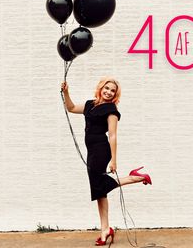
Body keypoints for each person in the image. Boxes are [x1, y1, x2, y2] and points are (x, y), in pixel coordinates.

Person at [61, 76, 152, 246]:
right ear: (101, 87)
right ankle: (105, 229)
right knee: (99, 192)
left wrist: (114, 160)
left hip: (101, 150)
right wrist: (66, 92)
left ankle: (136, 178)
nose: (109, 92)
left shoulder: (111, 110)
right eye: (107, 88)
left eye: (113, 91)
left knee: (98, 187)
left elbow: (113, 135)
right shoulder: (90, 104)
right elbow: (71, 107)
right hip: (91, 151)